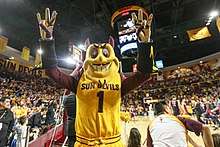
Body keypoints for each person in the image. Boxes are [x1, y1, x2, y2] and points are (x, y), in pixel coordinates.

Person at [36, 8, 154, 146]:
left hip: (112, 142)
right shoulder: (79, 80)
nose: (99, 58)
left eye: (105, 53)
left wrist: (144, 44)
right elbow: (52, 72)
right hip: (84, 142)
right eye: (93, 54)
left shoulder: (118, 79)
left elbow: (144, 75)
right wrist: (47, 41)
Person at [147, 100, 214, 147]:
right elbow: (205, 128)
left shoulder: (151, 125)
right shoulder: (178, 119)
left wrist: (195, 145)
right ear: (166, 109)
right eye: (170, 108)